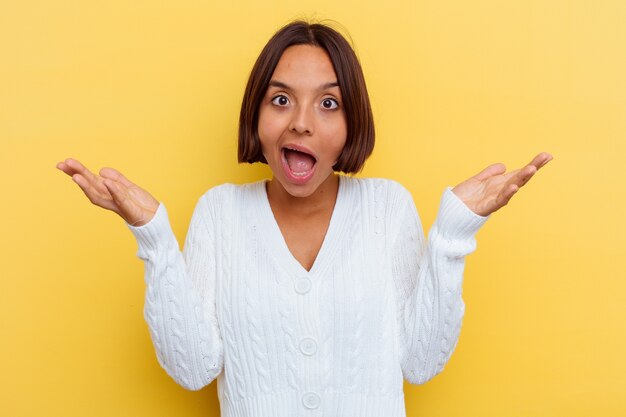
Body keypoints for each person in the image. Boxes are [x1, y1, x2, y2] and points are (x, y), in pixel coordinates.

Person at [56, 20, 552, 417]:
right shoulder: (219, 213)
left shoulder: (388, 207)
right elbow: (193, 369)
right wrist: (155, 238)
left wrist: (451, 234)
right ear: (256, 114)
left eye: (329, 103)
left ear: (351, 121)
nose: (301, 121)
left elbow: (419, 364)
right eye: (281, 99)